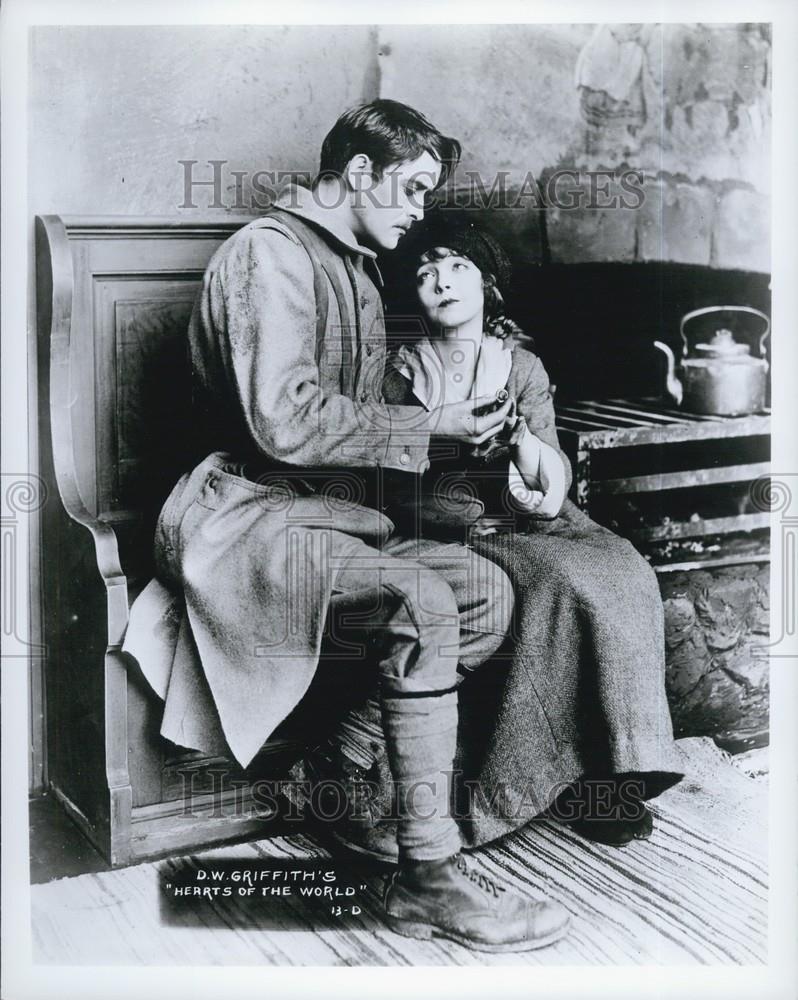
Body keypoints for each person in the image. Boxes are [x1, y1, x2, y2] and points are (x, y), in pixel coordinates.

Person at [123, 100, 570, 952]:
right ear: (358, 173)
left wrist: (478, 444)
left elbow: (356, 425)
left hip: (321, 512)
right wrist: (431, 430)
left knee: (482, 591)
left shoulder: (356, 268)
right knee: (426, 602)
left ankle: (335, 774)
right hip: (242, 517)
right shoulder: (268, 254)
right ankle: (430, 880)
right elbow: (285, 425)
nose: (416, 209)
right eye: (411, 189)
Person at [320, 212, 683, 856]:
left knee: (623, 569)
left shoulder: (521, 367)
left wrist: (520, 441)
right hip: (449, 526)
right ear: (414, 294)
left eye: (458, 267)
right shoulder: (400, 373)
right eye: (427, 271)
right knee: (558, 587)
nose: (442, 281)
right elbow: (390, 483)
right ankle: (536, 782)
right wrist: (442, 437)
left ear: (488, 287)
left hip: (533, 520)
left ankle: (617, 776)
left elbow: (550, 483)